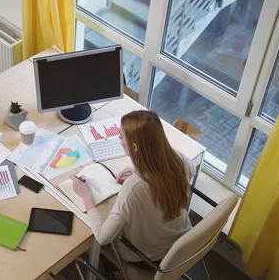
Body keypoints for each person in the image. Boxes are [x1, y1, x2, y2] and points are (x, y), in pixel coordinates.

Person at [70, 110, 195, 278]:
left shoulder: (135, 186)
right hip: (183, 245)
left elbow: (102, 237)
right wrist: (139, 169)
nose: (119, 140)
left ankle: (118, 274)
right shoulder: (179, 159)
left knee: (99, 241)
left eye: (121, 137)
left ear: (135, 147)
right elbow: (189, 172)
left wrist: (86, 196)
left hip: (149, 259)